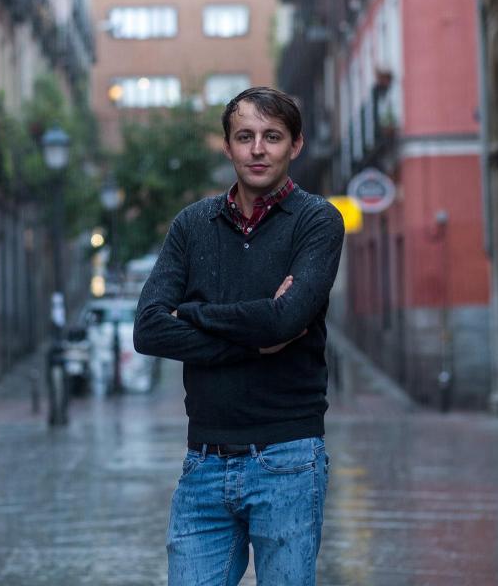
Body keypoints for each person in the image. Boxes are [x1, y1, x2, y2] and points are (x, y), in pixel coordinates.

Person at [134, 86, 344, 585]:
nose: (257, 149)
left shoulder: (318, 221)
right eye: (244, 136)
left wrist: (193, 314)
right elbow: (148, 329)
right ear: (226, 146)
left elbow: (285, 321)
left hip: (288, 459)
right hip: (203, 464)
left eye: (272, 137)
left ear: (295, 146)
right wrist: (258, 332)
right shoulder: (191, 226)